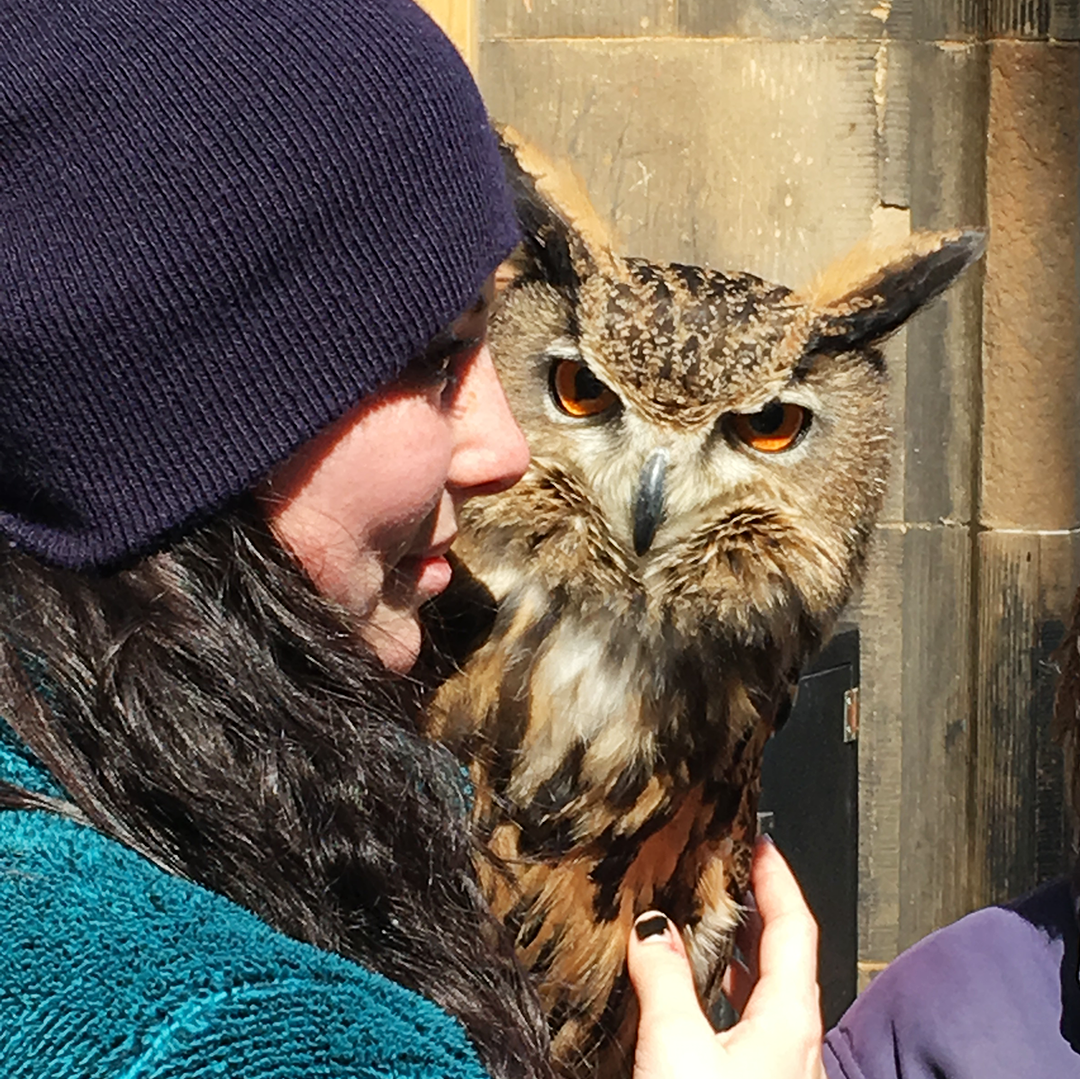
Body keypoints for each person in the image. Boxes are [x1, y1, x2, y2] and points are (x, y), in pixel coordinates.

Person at [0, 1, 825, 1077]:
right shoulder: (249, 1033)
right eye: (435, 360)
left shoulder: (118, 780)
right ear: (194, 403)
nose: (502, 446)